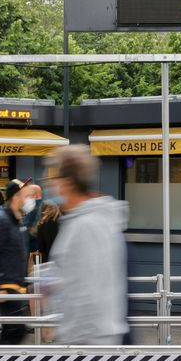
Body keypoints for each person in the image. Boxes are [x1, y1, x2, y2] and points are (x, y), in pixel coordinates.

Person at [48, 146, 128, 345]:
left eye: (52, 180)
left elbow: (89, 292)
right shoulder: (82, 221)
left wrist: (75, 344)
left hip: (87, 344)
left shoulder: (86, 225)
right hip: (86, 341)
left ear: (67, 184)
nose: (50, 187)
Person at [0, 179, 31, 345]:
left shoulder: (16, 222)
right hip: (6, 288)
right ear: (16, 197)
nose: (28, 199)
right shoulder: (1, 221)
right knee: (14, 331)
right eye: (25, 195)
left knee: (15, 332)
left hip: (16, 287)